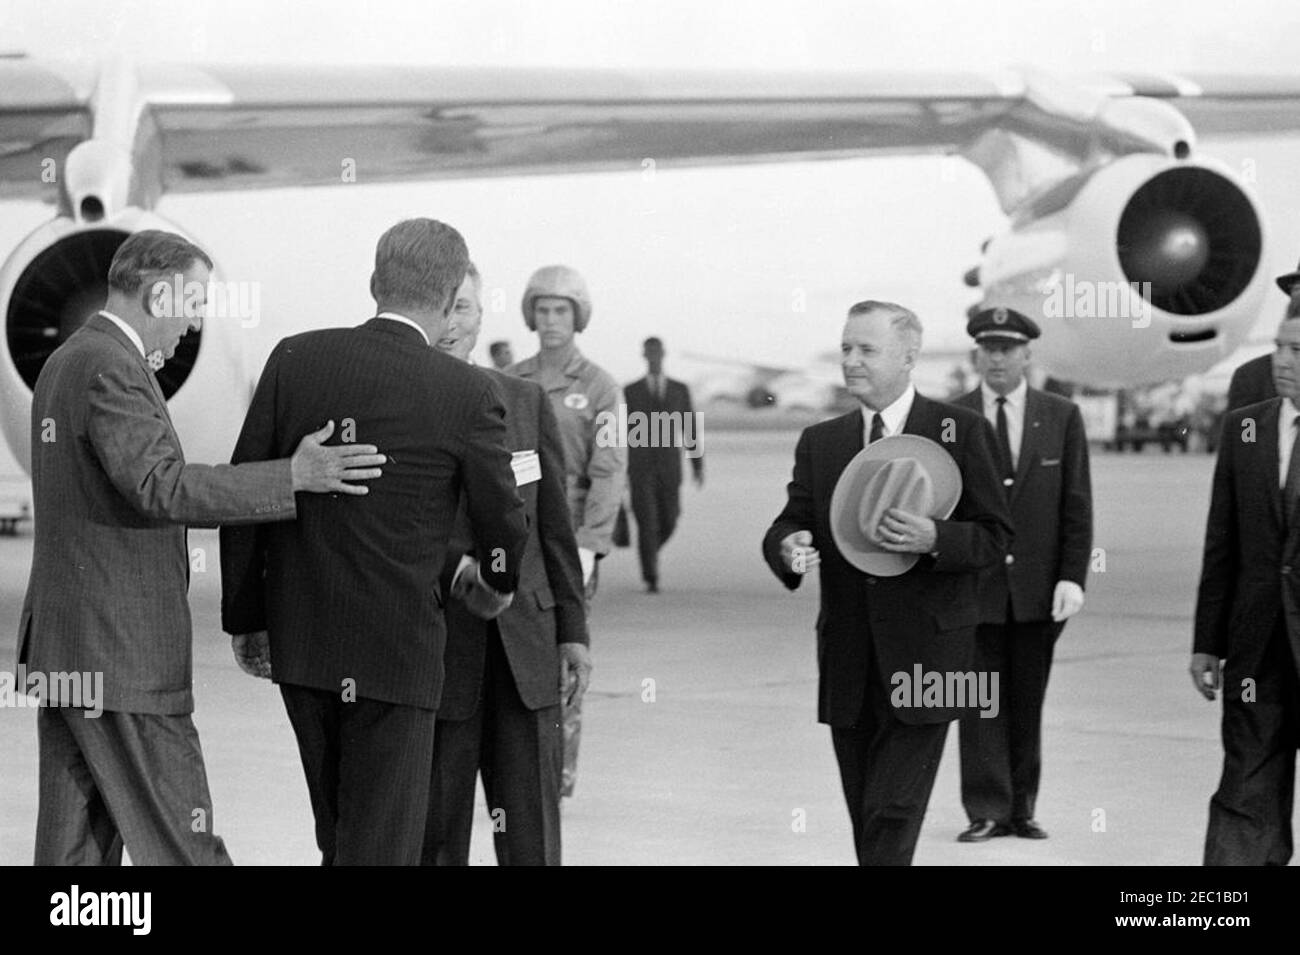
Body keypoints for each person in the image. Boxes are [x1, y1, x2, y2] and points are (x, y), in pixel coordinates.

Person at [17, 229, 384, 865]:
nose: (191, 325)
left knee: (72, 854)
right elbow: (161, 487)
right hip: (121, 654)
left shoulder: (70, 359)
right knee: (185, 846)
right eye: (191, 304)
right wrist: (290, 477)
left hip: (72, 650)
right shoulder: (110, 367)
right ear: (158, 292)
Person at [220, 219, 528, 865]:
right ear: (449, 302)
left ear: (373, 282)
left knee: (339, 834)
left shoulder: (294, 358)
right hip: (398, 658)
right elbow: (504, 523)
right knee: (382, 844)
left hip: (302, 647)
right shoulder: (469, 392)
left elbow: (247, 492)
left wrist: (247, 620)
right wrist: (495, 583)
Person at [762, 300, 1012, 865]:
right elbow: (792, 520)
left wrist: (935, 538)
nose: (850, 360)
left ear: (908, 357)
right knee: (867, 813)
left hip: (930, 661)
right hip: (850, 659)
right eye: (847, 347)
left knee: (893, 813)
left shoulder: (961, 430)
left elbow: (996, 536)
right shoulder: (821, 442)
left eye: (866, 350)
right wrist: (789, 548)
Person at [423, 265, 591, 865]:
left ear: (481, 316)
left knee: (532, 841)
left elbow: (554, 528)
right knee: (436, 840)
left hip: (528, 648)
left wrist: (572, 631)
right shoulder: (399, 404)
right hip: (440, 652)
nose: (452, 323)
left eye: (464, 308)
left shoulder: (524, 401)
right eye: (442, 307)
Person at [953, 307, 1093, 843]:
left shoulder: (1060, 416)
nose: (996, 358)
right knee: (980, 701)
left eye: (1007, 349)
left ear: (1027, 355)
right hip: (974, 590)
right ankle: (986, 809)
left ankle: (1023, 808)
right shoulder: (950, 416)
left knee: (1027, 700)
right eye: (987, 348)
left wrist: (1072, 576)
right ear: (976, 355)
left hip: (1038, 591)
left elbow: (1076, 503)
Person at [508, 264, 626, 798]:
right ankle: (516, 764)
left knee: (567, 650)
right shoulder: (514, 379)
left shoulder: (602, 387)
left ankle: (557, 772)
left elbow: (610, 467)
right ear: (530, 314)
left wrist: (590, 544)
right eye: (543, 308)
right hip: (517, 529)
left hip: (572, 535)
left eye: (562, 310)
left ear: (578, 317)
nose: (551, 319)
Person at [1193, 306, 1300, 865]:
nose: (1281, 361)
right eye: (1280, 347)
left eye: (1298, 352)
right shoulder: (1247, 426)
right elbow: (1223, 542)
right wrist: (1207, 642)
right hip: (1257, 645)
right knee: (1245, 781)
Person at [623, 336, 703, 593]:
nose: (654, 356)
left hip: (670, 467)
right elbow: (617, 430)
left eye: (658, 352)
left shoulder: (680, 389)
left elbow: (690, 429)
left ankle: (650, 552)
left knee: (670, 518)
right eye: (650, 352)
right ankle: (651, 575)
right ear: (644, 355)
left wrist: (697, 465)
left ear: (663, 354)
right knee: (647, 522)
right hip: (640, 468)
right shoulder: (630, 391)